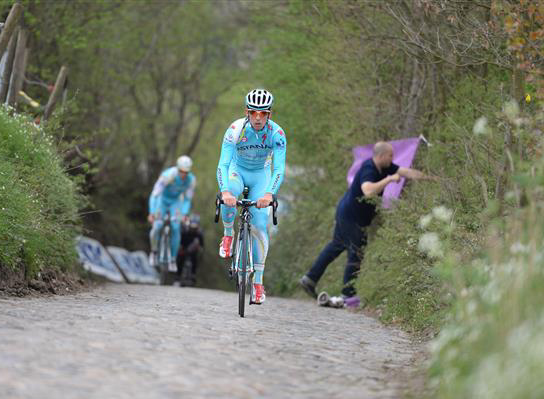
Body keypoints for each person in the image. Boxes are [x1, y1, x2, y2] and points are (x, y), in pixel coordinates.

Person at [299, 141, 434, 306]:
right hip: (351, 216)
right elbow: (368, 191)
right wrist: (389, 180)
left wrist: (429, 178)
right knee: (356, 251)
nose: (393, 158)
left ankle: (310, 279)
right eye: (390, 155)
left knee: (336, 245)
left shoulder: (385, 166)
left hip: (347, 212)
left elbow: (405, 171)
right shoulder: (369, 168)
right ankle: (348, 295)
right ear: (381, 155)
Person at [216, 88, 287, 304]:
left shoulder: (277, 134)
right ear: (247, 112)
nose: (258, 118)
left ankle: (258, 283)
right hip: (237, 171)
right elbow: (223, 164)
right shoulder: (235, 129)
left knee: (259, 225)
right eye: (254, 112)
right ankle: (228, 235)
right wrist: (226, 191)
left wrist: (269, 194)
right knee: (229, 200)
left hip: (261, 176)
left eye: (263, 113)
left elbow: (279, 169)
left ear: (269, 115)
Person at [148, 155, 196, 272]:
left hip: (175, 202)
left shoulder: (191, 180)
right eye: (181, 171)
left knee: (175, 227)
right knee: (157, 225)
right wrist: (152, 212)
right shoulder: (168, 175)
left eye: (186, 172)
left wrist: (184, 214)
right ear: (177, 168)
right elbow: (155, 194)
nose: (183, 174)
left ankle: (173, 259)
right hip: (162, 200)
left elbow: (187, 199)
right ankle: (154, 252)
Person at [177, 213, 204, 286]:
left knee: (195, 259)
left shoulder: (199, 232)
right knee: (180, 259)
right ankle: (178, 275)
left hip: (193, 251)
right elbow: (180, 241)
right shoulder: (184, 230)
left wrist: (199, 249)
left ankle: (193, 274)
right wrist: (180, 247)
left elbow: (201, 245)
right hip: (184, 248)